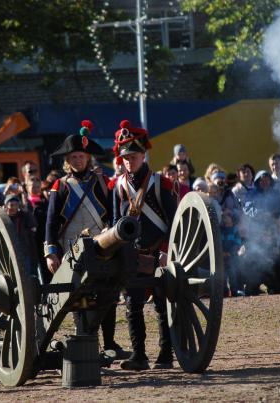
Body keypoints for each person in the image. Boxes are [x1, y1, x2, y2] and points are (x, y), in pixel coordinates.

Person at [44, 120, 124, 355]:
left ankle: (109, 344)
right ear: (67, 161)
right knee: (79, 296)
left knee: (107, 293)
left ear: (88, 158)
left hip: (101, 244)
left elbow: (112, 213)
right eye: (74, 157)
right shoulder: (60, 186)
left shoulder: (101, 181)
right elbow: (50, 222)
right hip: (71, 247)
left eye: (81, 156)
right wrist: (51, 252)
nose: (78, 160)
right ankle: (86, 341)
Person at [113, 119, 177, 371]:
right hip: (132, 255)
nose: (130, 161)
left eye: (134, 156)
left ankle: (165, 355)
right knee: (133, 306)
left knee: (162, 306)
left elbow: (175, 221)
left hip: (159, 252)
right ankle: (139, 355)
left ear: (143, 155)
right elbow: (116, 222)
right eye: (126, 157)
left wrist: (166, 251)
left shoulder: (160, 184)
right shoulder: (118, 186)